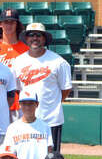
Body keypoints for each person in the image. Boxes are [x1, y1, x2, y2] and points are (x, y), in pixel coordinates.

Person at [11, 22, 73, 151]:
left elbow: (66, 89)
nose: (35, 38)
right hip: (26, 120)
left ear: (44, 39)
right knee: (27, 156)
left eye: (38, 35)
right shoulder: (18, 62)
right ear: (26, 39)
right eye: (31, 35)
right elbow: (17, 90)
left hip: (50, 119)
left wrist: (52, 103)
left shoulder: (58, 62)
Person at [2, 91, 52, 159]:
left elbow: (49, 151)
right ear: (20, 104)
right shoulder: (12, 128)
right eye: (24, 104)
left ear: (37, 104)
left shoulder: (45, 127)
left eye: (31, 103)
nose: (27, 107)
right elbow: (8, 154)